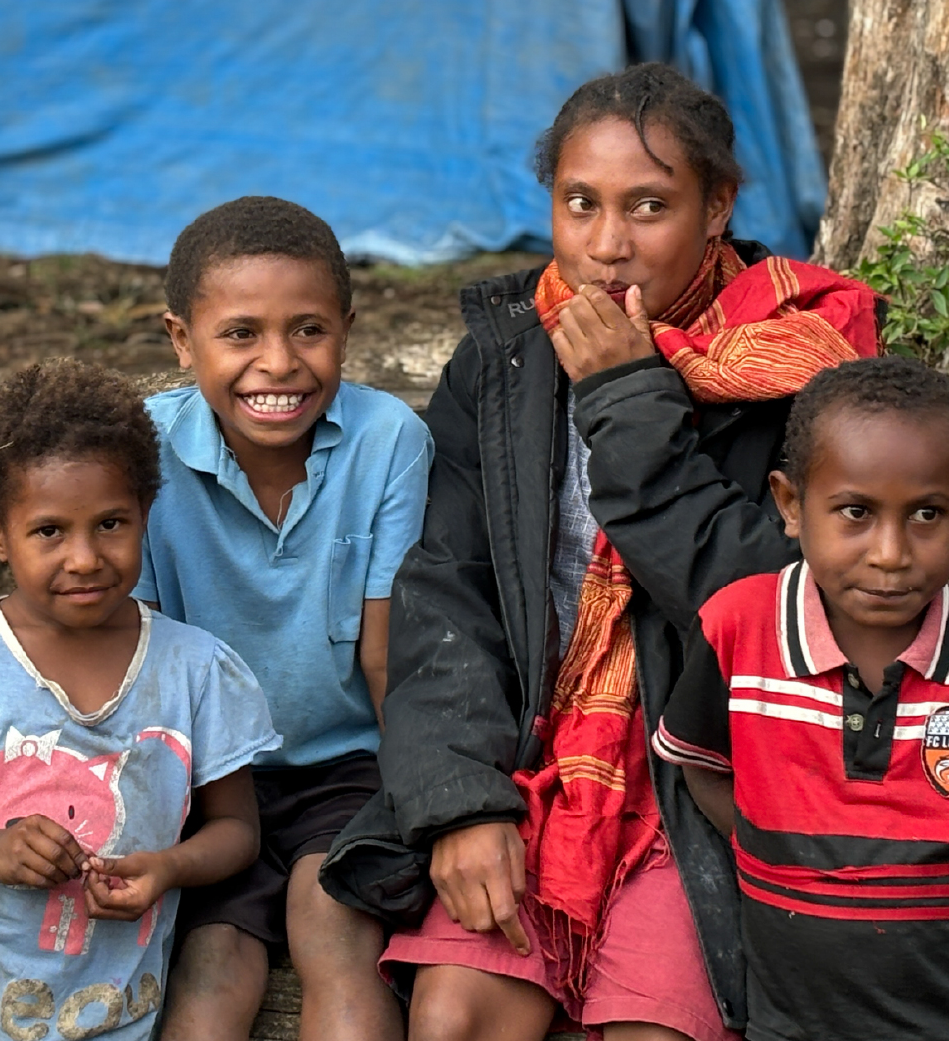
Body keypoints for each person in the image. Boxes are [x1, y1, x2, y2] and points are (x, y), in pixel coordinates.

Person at [321, 62, 880, 1041]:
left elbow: (772, 608)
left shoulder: (801, 371)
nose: (607, 244)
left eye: (649, 206)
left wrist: (630, 401)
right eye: (581, 204)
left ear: (719, 208)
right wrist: (460, 801)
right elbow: (449, 592)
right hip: (537, 766)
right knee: (453, 1015)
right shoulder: (501, 360)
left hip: (699, 790)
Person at [654, 356, 949, 1041]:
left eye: (927, 515)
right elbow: (700, 760)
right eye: (855, 512)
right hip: (791, 1024)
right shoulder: (738, 629)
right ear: (792, 505)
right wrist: (767, 853)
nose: (890, 552)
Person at [0, 360, 278, 1041]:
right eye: (49, 531)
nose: (84, 557)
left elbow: (237, 831)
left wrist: (168, 867)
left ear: (145, 512)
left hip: (104, 1025)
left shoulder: (197, 670)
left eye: (111, 523)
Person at [138, 196, 431, 1040]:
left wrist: (423, 804)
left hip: (345, 766)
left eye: (309, 330)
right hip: (204, 773)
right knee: (211, 957)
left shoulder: (388, 441)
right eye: (240, 334)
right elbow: (138, 649)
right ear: (181, 339)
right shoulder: (144, 450)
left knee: (331, 926)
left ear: (347, 325)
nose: (278, 363)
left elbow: (386, 655)